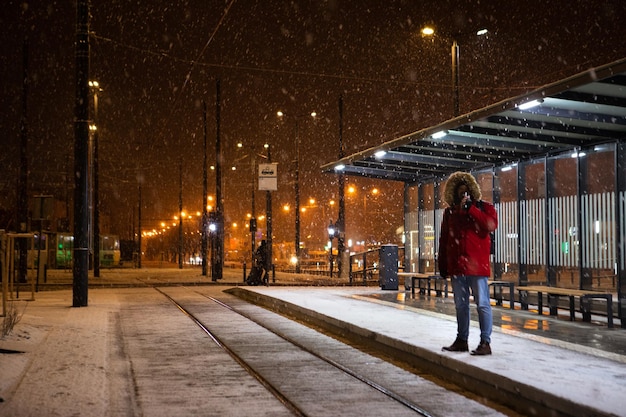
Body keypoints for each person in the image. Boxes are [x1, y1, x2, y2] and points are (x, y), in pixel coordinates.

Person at [438, 171, 498, 356]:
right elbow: (444, 240)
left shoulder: (484, 208)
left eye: (466, 192)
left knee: (482, 304)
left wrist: (472, 209)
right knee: (461, 305)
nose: (463, 196)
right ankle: (462, 340)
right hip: (458, 267)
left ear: (472, 192)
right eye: (460, 192)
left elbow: (489, 226)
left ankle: (485, 342)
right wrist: (442, 264)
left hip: (477, 267)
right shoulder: (450, 213)